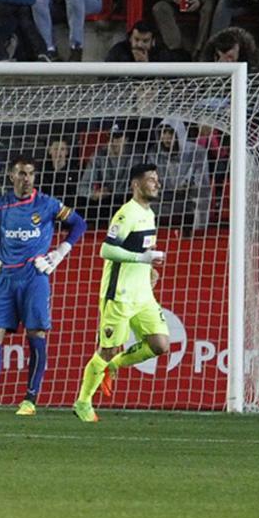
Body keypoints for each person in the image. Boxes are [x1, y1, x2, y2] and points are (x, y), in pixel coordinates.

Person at [0, 154, 87, 416]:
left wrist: (59, 253)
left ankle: (29, 400)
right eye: (21, 173)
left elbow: (79, 223)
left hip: (35, 277)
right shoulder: (1, 205)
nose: (26, 178)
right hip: (5, 277)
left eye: (30, 173)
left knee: (36, 335)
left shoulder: (48, 204)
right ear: (11, 176)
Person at [74, 164, 169, 422]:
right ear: (136, 185)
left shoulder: (148, 213)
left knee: (160, 345)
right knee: (107, 349)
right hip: (120, 294)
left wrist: (149, 269)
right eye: (151, 180)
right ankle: (83, 402)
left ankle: (113, 366)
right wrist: (142, 258)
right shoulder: (126, 214)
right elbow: (106, 250)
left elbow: (141, 249)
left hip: (143, 294)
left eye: (157, 180)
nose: (156, 184)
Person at [78, 124, 133, 225]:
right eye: (110, 137)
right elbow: (82, 188)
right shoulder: (98, 156)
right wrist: (94, 194)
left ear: (126, 139)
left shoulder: (136, 156)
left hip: (129, 199)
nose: (113, 141)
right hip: (107, 200)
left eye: (117, 138)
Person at [105, 21, 171, 62]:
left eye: (145, 41)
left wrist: (146, 65)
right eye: (136, 39)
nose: (139, 45)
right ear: (130, 38)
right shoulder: (119, 51)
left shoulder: (161, 54)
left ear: (153, 41)